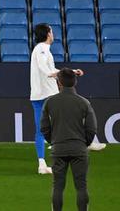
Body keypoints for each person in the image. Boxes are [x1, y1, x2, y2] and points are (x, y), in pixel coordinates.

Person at [30, 23, 99, 174]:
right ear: (48, 34)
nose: (53, 34)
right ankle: (86, 141)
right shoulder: (42, 49)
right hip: (48, 94)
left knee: (42, 129)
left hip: (38, 95)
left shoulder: (42, 49)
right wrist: (53, 74)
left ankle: (42, 164)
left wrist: (71, 71)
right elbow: (46, 70)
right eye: (51, 31)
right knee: (69, 117)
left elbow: (52, 70)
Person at [40, 69, 97, 211]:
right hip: (79, 148)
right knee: (81, 186)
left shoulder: (50, 102)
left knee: (58, 186)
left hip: (58, 148)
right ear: (75, 82)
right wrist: (84, 143)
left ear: (59, 83)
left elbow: (44, 127)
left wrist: (54, 141)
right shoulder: (84, 102)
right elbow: (92, 128)